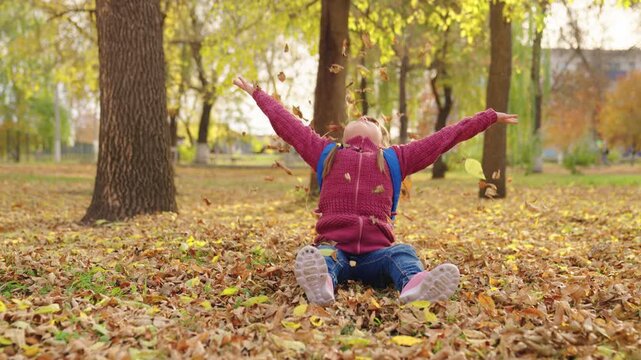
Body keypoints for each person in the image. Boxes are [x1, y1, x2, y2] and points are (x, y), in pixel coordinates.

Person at [233, 76, 518, 305]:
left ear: (382, 139)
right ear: (343, 134)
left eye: (373, 121)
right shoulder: (326, 153)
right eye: (361, 118)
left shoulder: (395, 159)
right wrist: (257, 93)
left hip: (377, 255)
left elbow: (444, 138)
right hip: (335, 248)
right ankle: (322, 283)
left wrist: (487, 118)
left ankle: (414, 285)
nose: (366, 118)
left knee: (403, 253)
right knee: (323, 256)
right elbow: (288, 125)